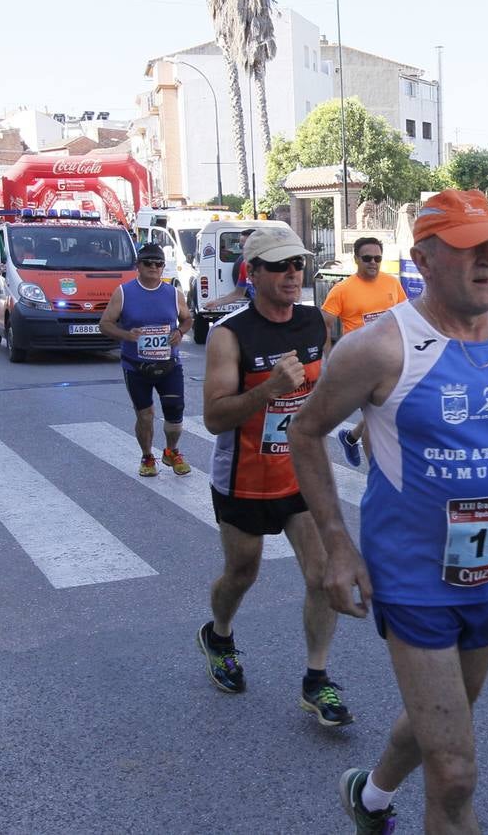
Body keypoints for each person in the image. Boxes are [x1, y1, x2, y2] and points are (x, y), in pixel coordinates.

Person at [288, 189, 488, 834]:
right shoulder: (382, 348)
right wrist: (337, 546)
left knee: (447, 715)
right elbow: (305, 432)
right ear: (425, 260)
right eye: (470, 248)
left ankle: (372, 797)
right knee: (456, 772)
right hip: (412, 577)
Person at [197, 227, 352, 728]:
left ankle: (316, 680)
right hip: (244, 478)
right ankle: (218, 634)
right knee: (243, 573)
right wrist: (268, 390)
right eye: (280, 266)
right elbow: (215, 418)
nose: (292, 274)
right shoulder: (230, 335)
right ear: (254, 273)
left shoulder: (315, 324)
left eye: (298, 264)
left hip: (301, 476)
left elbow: (322, 391)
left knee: (323, 576)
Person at [99, 243, 193, 477]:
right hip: (136, 366)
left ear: (163, 267)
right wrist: (126, 335)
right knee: (145, 414)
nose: (154, 267)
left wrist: (179, 333)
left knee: (175, 414)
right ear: (138, 266)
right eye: (148, 263)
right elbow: (105, 324)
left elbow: (188, 319)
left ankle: (171, 451)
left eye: (158, 264)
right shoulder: (124, 292)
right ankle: (148, 456)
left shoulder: (173, 293)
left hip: (169, 365)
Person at [320, 235, 408, 467]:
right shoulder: (342, 289)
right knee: (378, 416)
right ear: (356, 259)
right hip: (358, 364)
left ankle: (350, 438)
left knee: (386, 412)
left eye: (377, 258)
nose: (373, 263)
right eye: (367, 258)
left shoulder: (392, 283)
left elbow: (404, 317)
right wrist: (330, 362)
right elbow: (323, 327)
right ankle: (377, 473)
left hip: (391, 360)